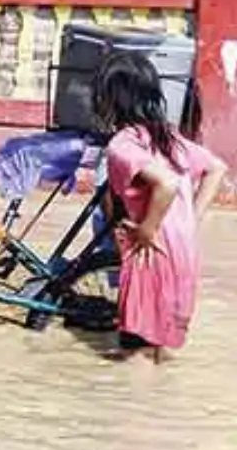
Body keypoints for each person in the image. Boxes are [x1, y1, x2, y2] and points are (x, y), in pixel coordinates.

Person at [93, 51, 226, 362]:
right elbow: (217, 169)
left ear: (110, 98)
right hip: (184, 246)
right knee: (159, 345)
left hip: (152, 248)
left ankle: (132, 406)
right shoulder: (168, 137)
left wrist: (146, 229)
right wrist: (191, 216)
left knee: (136, 348)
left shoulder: (123, 144)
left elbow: (165, 183)